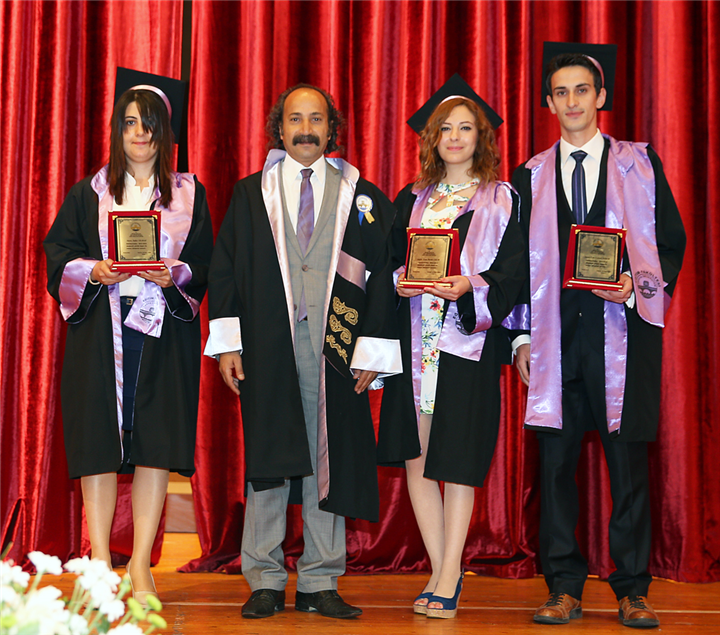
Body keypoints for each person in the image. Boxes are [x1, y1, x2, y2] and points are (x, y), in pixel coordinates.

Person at [204, 84, 401, 620]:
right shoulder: (252, 194)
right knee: (269, 458)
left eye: (316, 119)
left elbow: (384, 274)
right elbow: (225, 271)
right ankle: (264, 578)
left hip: (336, 346)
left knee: (327, 458)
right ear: (280, 128)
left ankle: (320, 579)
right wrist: (228, 345)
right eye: (296, 119)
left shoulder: (361, 196)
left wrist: (372, 349)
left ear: (331, 128)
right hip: (268, 344)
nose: (306, 129)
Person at [511, 43, 686, 628]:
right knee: (556, 470)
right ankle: (563, 587)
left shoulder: (640, 164)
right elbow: (513, 264)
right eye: (560, 92)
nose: (571, 102)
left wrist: (637, 287)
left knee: (628, 470)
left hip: (623, 339)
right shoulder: (530, 175)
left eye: (581, 90)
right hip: (554, 343)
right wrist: (519, 339)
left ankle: (632, 589)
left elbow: (671, 242)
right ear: (548, 103)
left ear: (600, 96)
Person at [43, 69, 213, 606]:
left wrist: (173, 274)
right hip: (101, 331)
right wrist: (93, 270)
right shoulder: (89, 193)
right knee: (98, 442)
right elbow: (58, 255)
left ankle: (139, 561)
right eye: (131, 123)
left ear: (166, 132)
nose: (140, 133)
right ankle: (99, 559)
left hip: (162, 335)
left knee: (155, 444)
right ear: (117, 130)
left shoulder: (188, 195)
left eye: (151, 124)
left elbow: (205, 264)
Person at [378, 75, 526, 619]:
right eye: (446, 129)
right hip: (415, 343)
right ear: (433, 138)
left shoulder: (501, 200)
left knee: (458, 459)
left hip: (468, 344)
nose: (456, 137)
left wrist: (470, 286)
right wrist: (399, 281)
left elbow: (514, 273)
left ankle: (446, 574)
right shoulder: (411, 199)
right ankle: (445, 569)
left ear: (481, 137)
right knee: (417, 457)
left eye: (466, 128)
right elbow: (389, 263)